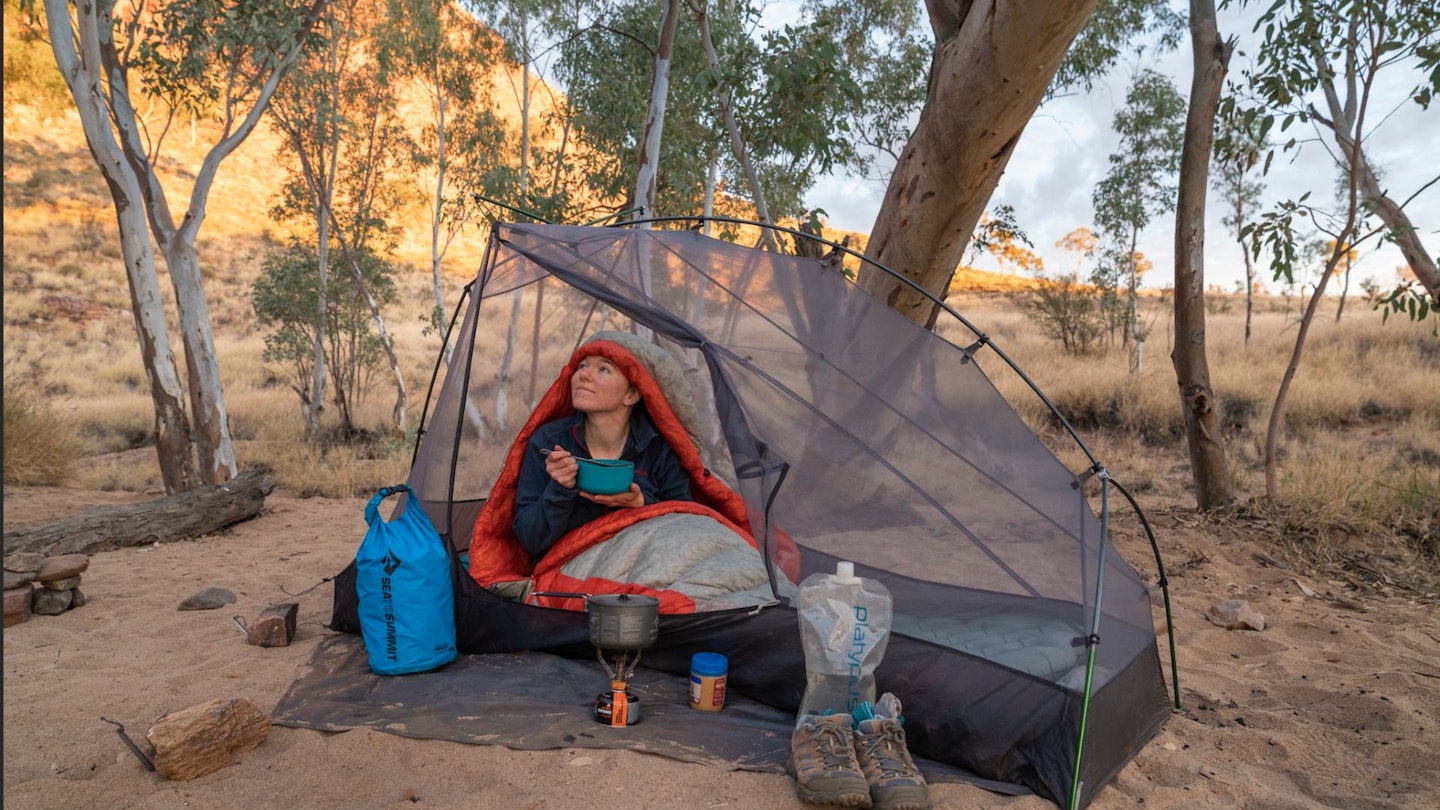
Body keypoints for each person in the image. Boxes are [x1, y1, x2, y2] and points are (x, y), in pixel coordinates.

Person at [512, 353, 692, 561]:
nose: (584, 375)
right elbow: (529, 540)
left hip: (641, 574)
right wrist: (560, 489)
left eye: (603, 369)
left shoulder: (659, 448)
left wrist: (641, 503)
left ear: (631, 395)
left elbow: (685, 530)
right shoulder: (548, 443)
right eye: (582, 366)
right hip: (567, 576)